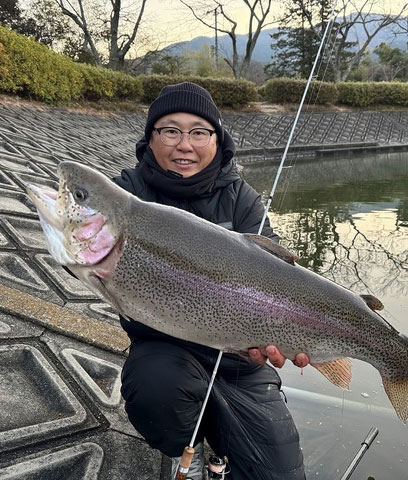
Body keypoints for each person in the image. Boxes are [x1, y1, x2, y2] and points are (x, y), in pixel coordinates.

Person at [113, 82, 307, 480]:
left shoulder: (242, 199)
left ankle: (222, 441)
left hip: (241, 361)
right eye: (170, 131)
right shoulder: (128, 195)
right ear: (151, 138)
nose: (184, 145)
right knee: (156, 390)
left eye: (199, 132)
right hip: (164, 348)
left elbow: (279, 281)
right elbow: (85, 251)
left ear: (218, 140)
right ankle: (185, 446)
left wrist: (278, 337)